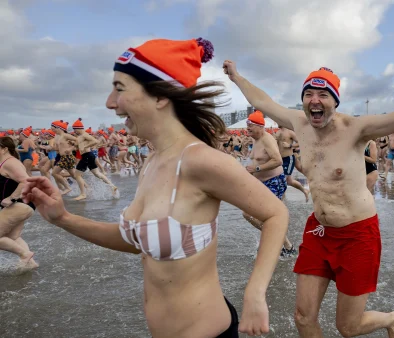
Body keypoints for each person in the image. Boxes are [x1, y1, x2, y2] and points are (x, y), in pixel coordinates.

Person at [22, 37, 289, 337]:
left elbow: (275, 214)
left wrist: (255, 293)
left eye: (120, 89)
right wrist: (63, 219)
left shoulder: (200, 161)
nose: (110, 102)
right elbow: (138, 241)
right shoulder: (152, 160)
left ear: (161, 96)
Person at [224, 59, 394, 337]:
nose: (314, 100)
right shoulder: (298, 123)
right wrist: (237, 77)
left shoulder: (356, 129)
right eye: (308, 94)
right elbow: (263, 100)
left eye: (323, 95)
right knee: (303, 318)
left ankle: (391, 319)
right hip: (319, 230)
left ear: (335, 101)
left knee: (348, 327)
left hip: (357, 234)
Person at [243, 111, 296, 256]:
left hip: (274, 182)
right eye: (247, 126)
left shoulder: (267, 139)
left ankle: (281, 243)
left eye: (250, 126)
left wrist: (257, 168)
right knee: (248, 214)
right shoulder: (255, 139)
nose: (247, 129)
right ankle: (284, 243)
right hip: (261, 183)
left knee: (265, 215)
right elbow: (255, 160)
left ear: (260, 126)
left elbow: (277, 160)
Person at [0, 137, 38, 270]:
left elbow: (26, 181)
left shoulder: (10, 163)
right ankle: (30, 264)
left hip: (20, 204)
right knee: (13, 237)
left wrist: (11, 198)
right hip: (24, 205)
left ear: (4, 149)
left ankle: (24, 254)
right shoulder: (5, 162)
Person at [72, 118, 119, 200]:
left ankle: (83, 194)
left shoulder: (84, 134)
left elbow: (95, 141)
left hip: (87, 155)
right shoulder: (81, 136)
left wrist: (86, 146)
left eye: (75, 129)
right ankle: (112, 186)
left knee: (77, 175)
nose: (74, 131)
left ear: (79, 128)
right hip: (88, 155)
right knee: (97, 174)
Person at [275, 126, 310, 202]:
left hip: (288, 158)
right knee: (289, 181)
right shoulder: (277, 132)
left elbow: (301, 142)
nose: (276, 122)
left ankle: (280, 201)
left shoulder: (290, 132)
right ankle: (304, 190)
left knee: (282, 180)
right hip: (280, 160)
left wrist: (290, 146)